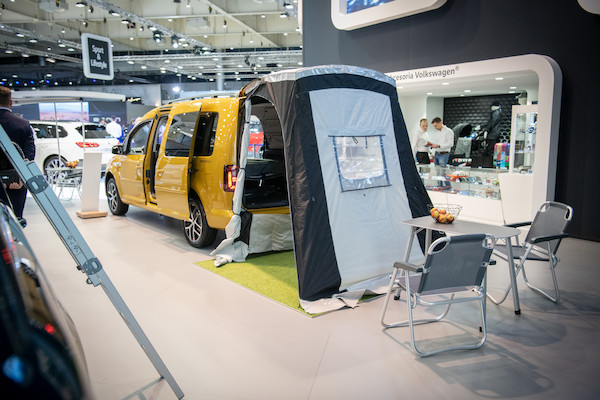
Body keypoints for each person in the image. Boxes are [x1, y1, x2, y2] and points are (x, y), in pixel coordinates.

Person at [0, 87, 36, 219]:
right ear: (10, 103)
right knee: (16, 220)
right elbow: (29, 156)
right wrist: (21, 178)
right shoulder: (23, 124)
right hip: (17, 179)